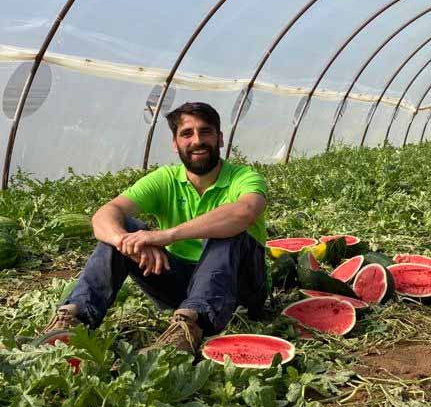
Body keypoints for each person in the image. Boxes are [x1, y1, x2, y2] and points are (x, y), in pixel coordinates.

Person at [41, 102, 268, 355]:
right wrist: (127, 243)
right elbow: (104, 215)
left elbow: (244, 212)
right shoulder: (165, 179)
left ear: (220, 139)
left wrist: (164, 236)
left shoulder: (245, 177)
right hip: (182, 285)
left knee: (227, 230)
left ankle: (190, 324)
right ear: (175, 143)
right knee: (124, 227)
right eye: (187, 133)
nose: (197, 140)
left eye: (205, 132)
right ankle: (75, 318)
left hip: (241, 286)